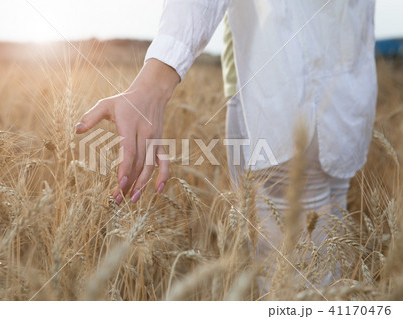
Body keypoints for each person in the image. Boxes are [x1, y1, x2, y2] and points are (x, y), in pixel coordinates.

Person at [75, 0, 377, 250]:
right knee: (328, 246)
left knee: (285, 276)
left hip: (279, 93)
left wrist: (153, 84)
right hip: (349, 100)